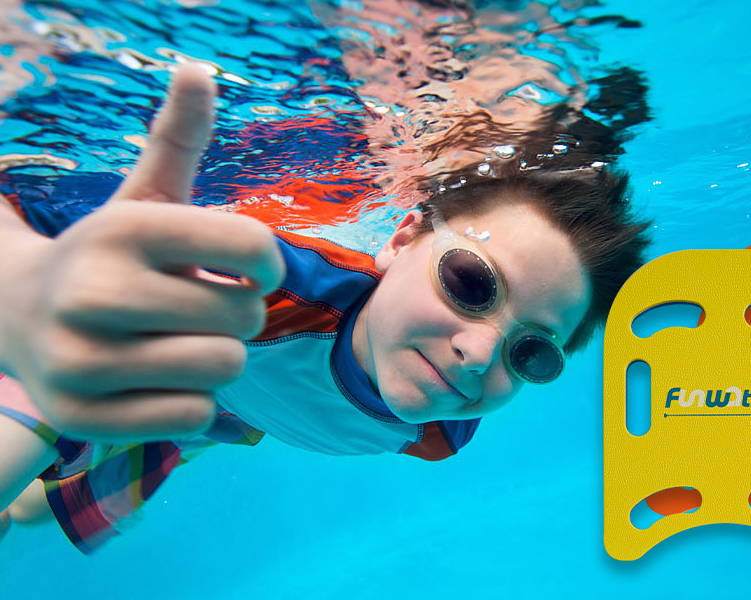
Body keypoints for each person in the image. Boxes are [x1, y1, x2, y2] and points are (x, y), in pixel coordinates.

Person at [0, 63, 651, 552]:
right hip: (168, 359)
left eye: (531, 351)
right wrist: (23, 277)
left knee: (32, 511)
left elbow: (293, 400)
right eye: (470, 284)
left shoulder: (442, 428)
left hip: (214, 416)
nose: (479, 355)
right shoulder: (263, 282)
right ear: (400, 239)